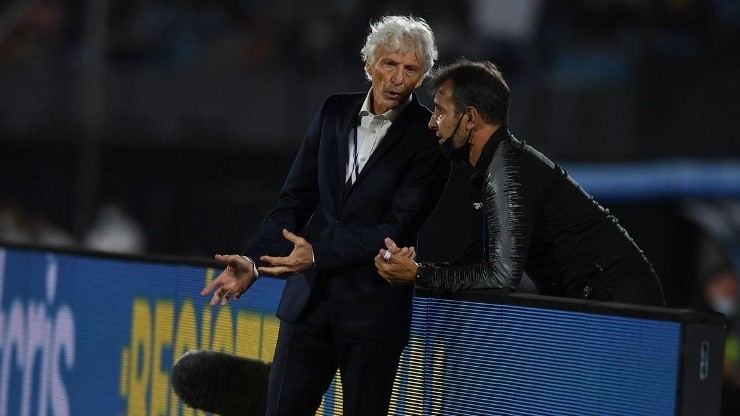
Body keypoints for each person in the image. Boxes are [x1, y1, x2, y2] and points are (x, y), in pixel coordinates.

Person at [200, 15, 449, 416]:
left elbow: (395, 228)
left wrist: (316, 254)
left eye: (411, 69)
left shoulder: (430, 136)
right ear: (369, 63)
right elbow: (294, 200)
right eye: (390, 64)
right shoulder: (333, 111)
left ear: (421, 78)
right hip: (308, 304)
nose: (398, 78)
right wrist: (253, 260)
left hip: (373, 313)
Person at [375, 58, 665, 307]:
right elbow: (474, 266)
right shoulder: (491, 167)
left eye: (440, 111)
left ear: (471, 118)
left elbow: (500, 276)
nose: (432, 122)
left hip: (621, 297)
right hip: (604, 296)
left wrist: (418, 275)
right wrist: (415, 269)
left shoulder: (507, 169)